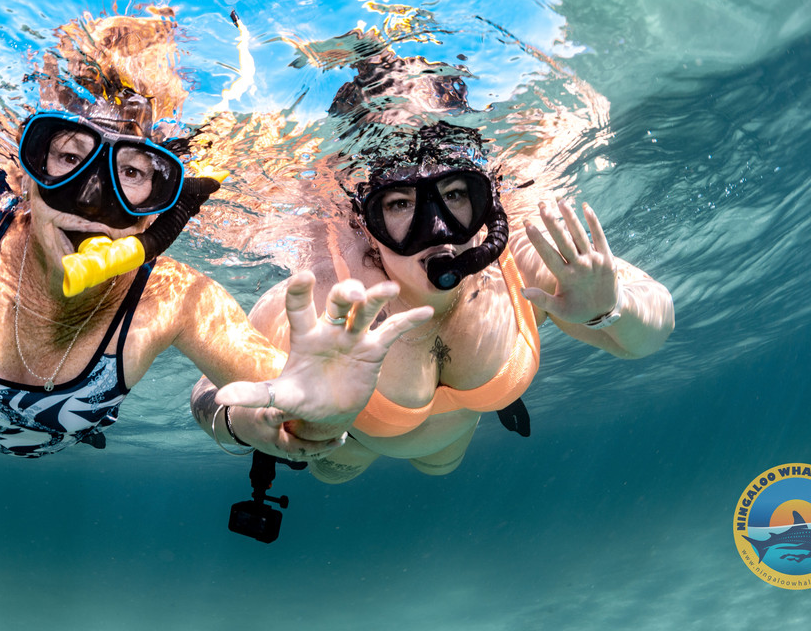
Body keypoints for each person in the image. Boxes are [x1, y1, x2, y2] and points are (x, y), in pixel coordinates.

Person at [0, 14, 432, 458]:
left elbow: (294, 411)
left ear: (154, 213)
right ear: (26, 179)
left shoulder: (174, 300)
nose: (92, 205)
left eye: (133, 175)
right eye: (66, 159)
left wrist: (327, 418)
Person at [191, 49, 675, 482]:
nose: (438, 230)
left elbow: (651, 332)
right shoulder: (326, 298)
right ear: (365, 223)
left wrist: (609, 309)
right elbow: (208, 393)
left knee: (441, 464)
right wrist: (249, 425)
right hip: (353, 444)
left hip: (454, 437)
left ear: (487, 203)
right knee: (337, 472)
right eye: (400, 205)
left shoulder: (523, 263)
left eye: (456, 194)